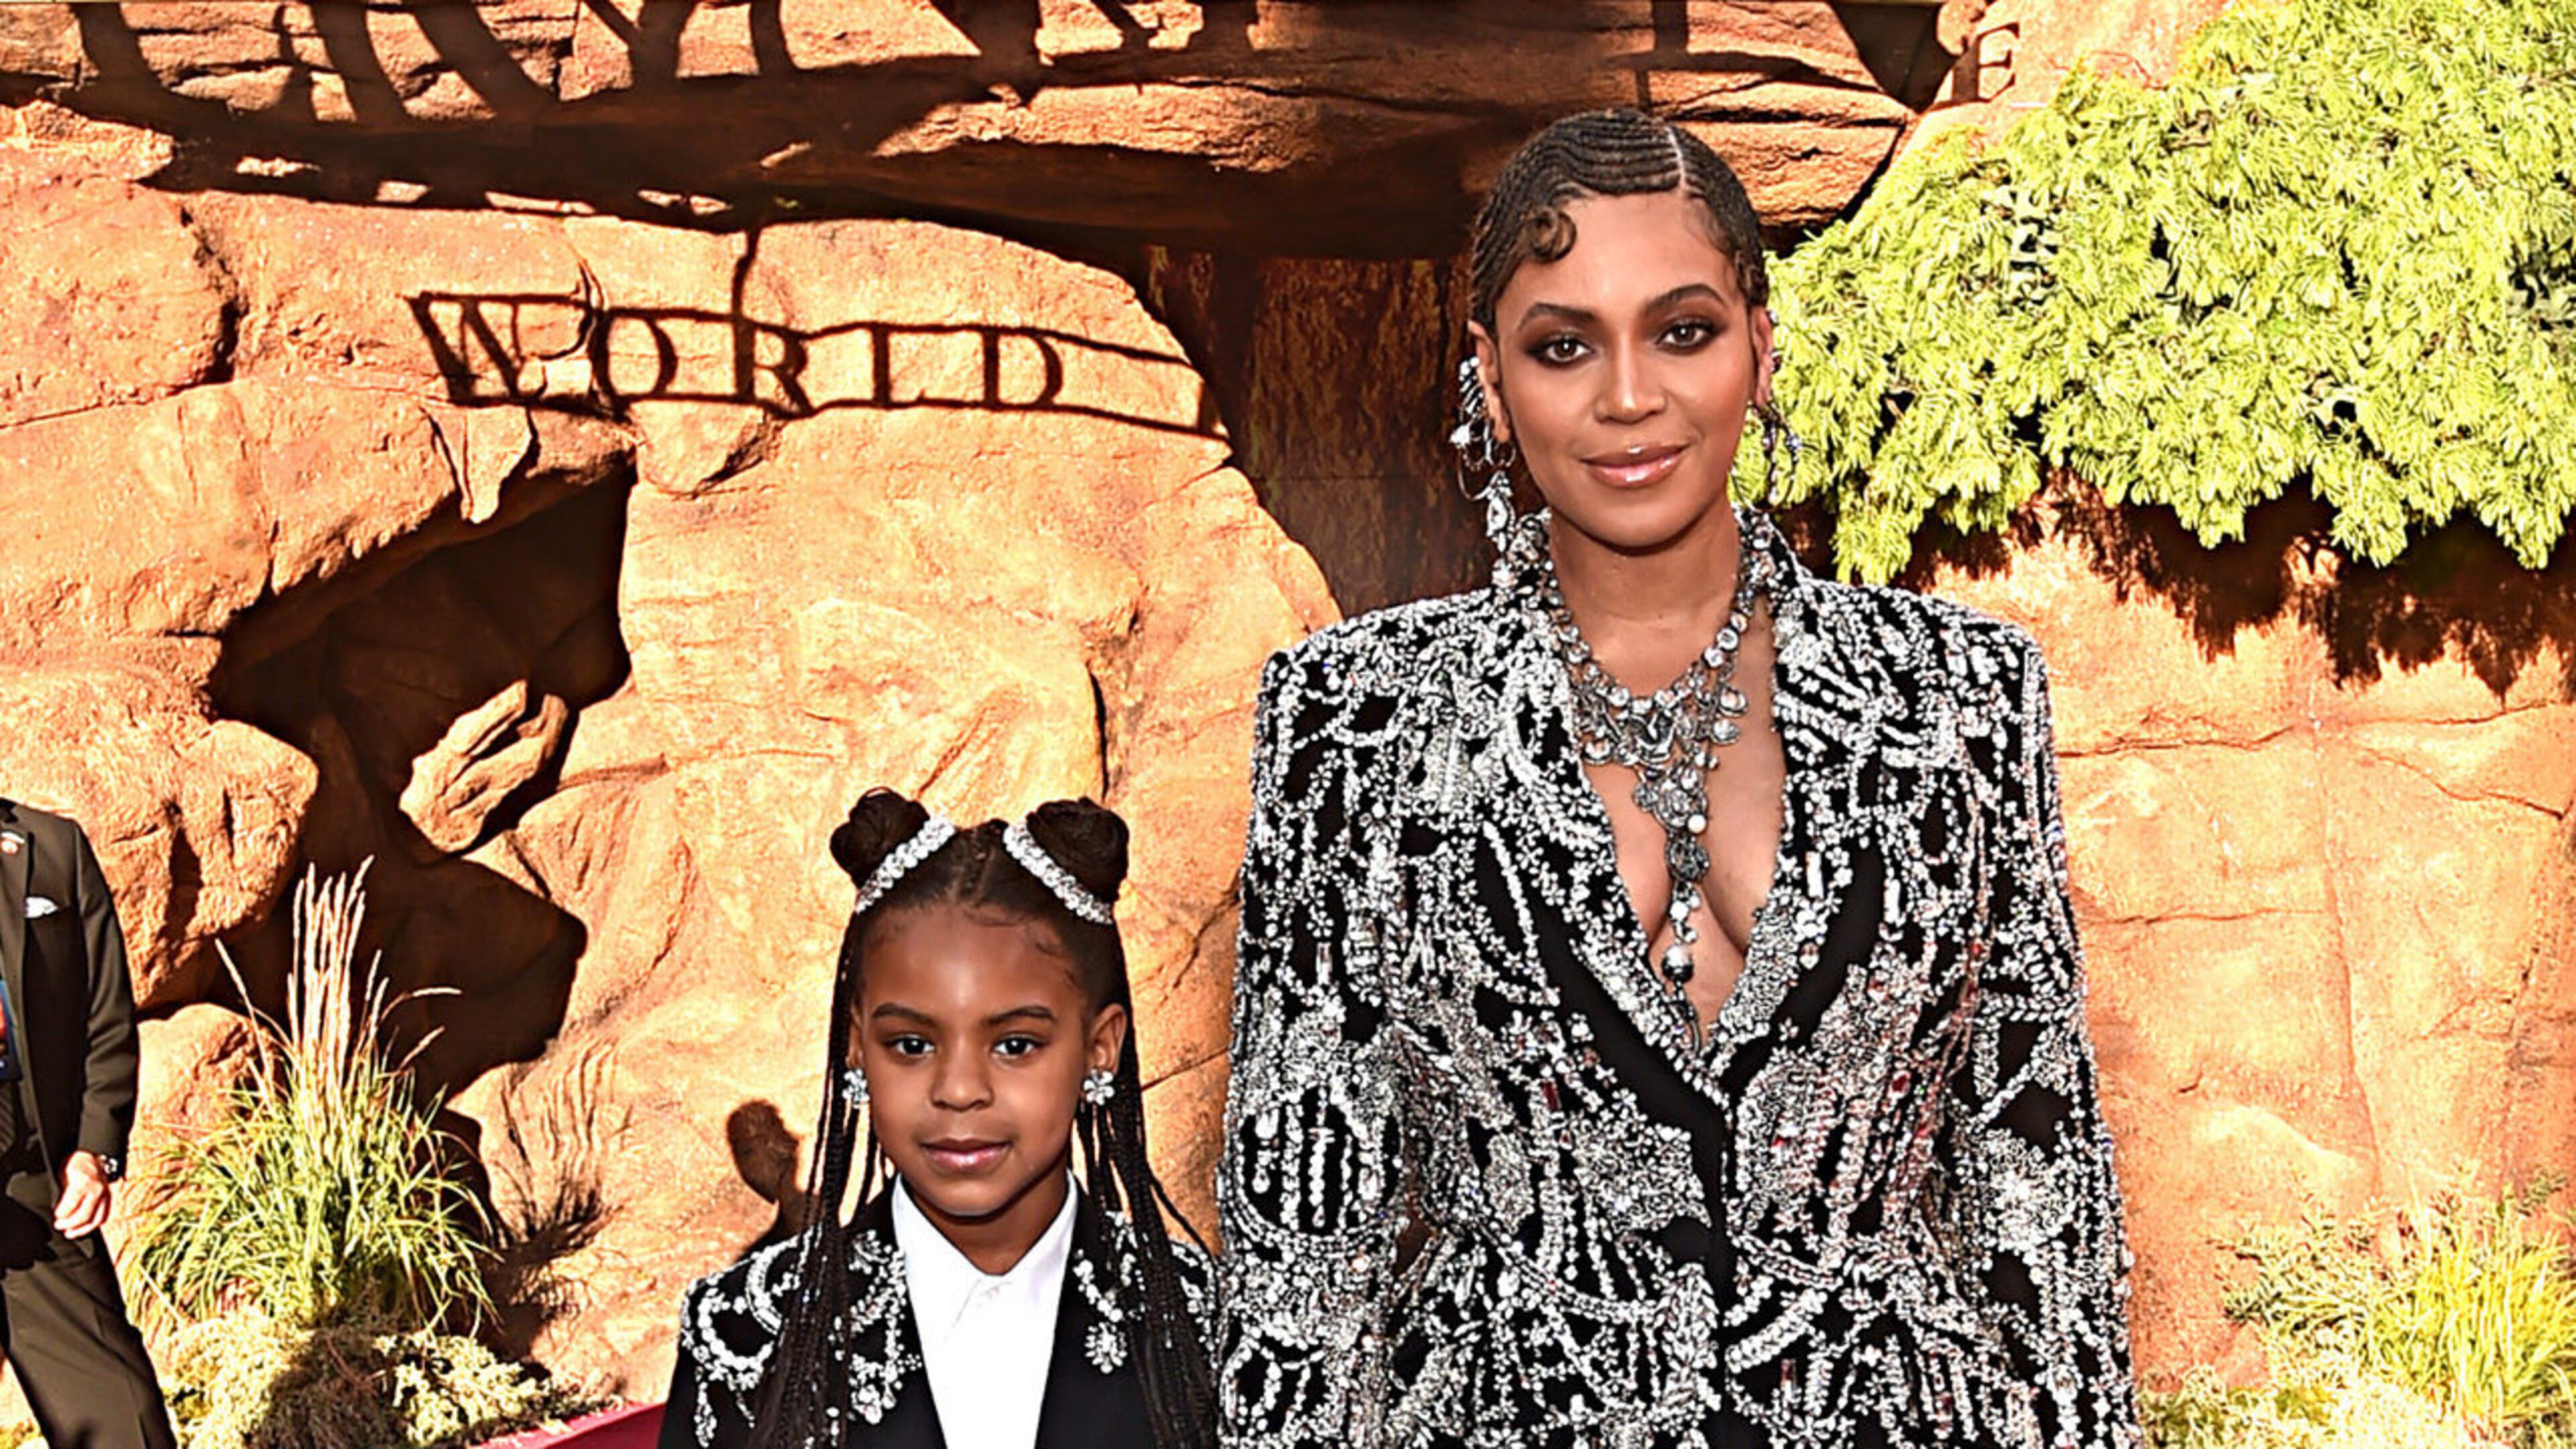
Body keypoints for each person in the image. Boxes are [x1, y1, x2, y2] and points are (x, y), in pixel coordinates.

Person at [1216, 109, 2142, 1448]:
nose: (1628, 397)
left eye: (1683, 331)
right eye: (1563, 346)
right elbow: (1303, 1243)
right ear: (1489, 378)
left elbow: (2035, 1188)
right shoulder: (1354, 717)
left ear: (1761, 347)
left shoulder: (1957, 694)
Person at [663, 792, 1218, 1449]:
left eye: (1015, 1045)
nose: (958, 1091)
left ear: (1100, 1048)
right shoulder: (744, 1333)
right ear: (856, 1047)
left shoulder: (1208, 1327)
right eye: (911, 1044)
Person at [0, 796, 178, 1449]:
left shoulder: (53, 847)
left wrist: (93, 1152)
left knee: (126, 1422)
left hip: (36, 1183)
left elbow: (105, 1015)